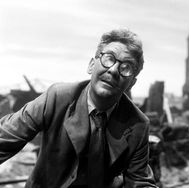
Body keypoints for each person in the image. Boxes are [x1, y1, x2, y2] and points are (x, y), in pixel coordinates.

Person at [0, 28, 159, 188]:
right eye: (109, 58)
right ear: (91, 65)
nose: (113, 70)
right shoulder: (57, 97)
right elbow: (5, 137)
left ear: (131, 83)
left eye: (126, 67)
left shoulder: (138, 124)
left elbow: (140, 182)